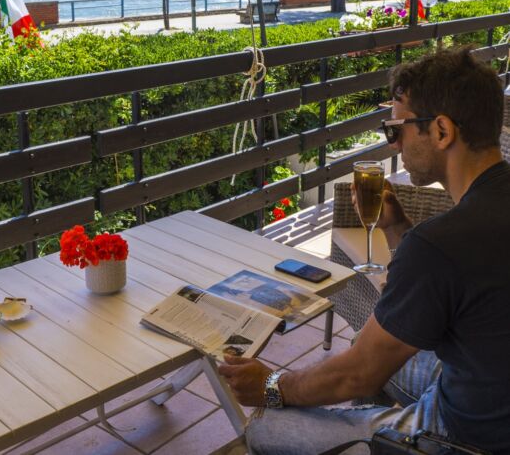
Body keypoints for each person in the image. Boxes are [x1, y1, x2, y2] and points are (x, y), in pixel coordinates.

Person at [218, 47, 510, 454]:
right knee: (364, 345)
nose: (394, 146)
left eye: (397, 129)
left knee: (266, 429)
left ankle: (386, 441)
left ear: (442, 131)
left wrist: (271, 386)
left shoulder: (443, 243)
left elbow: (356, 378)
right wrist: (397, 227)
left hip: (465, 435)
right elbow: (450, 283)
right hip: (487, 388)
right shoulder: (471, 222)